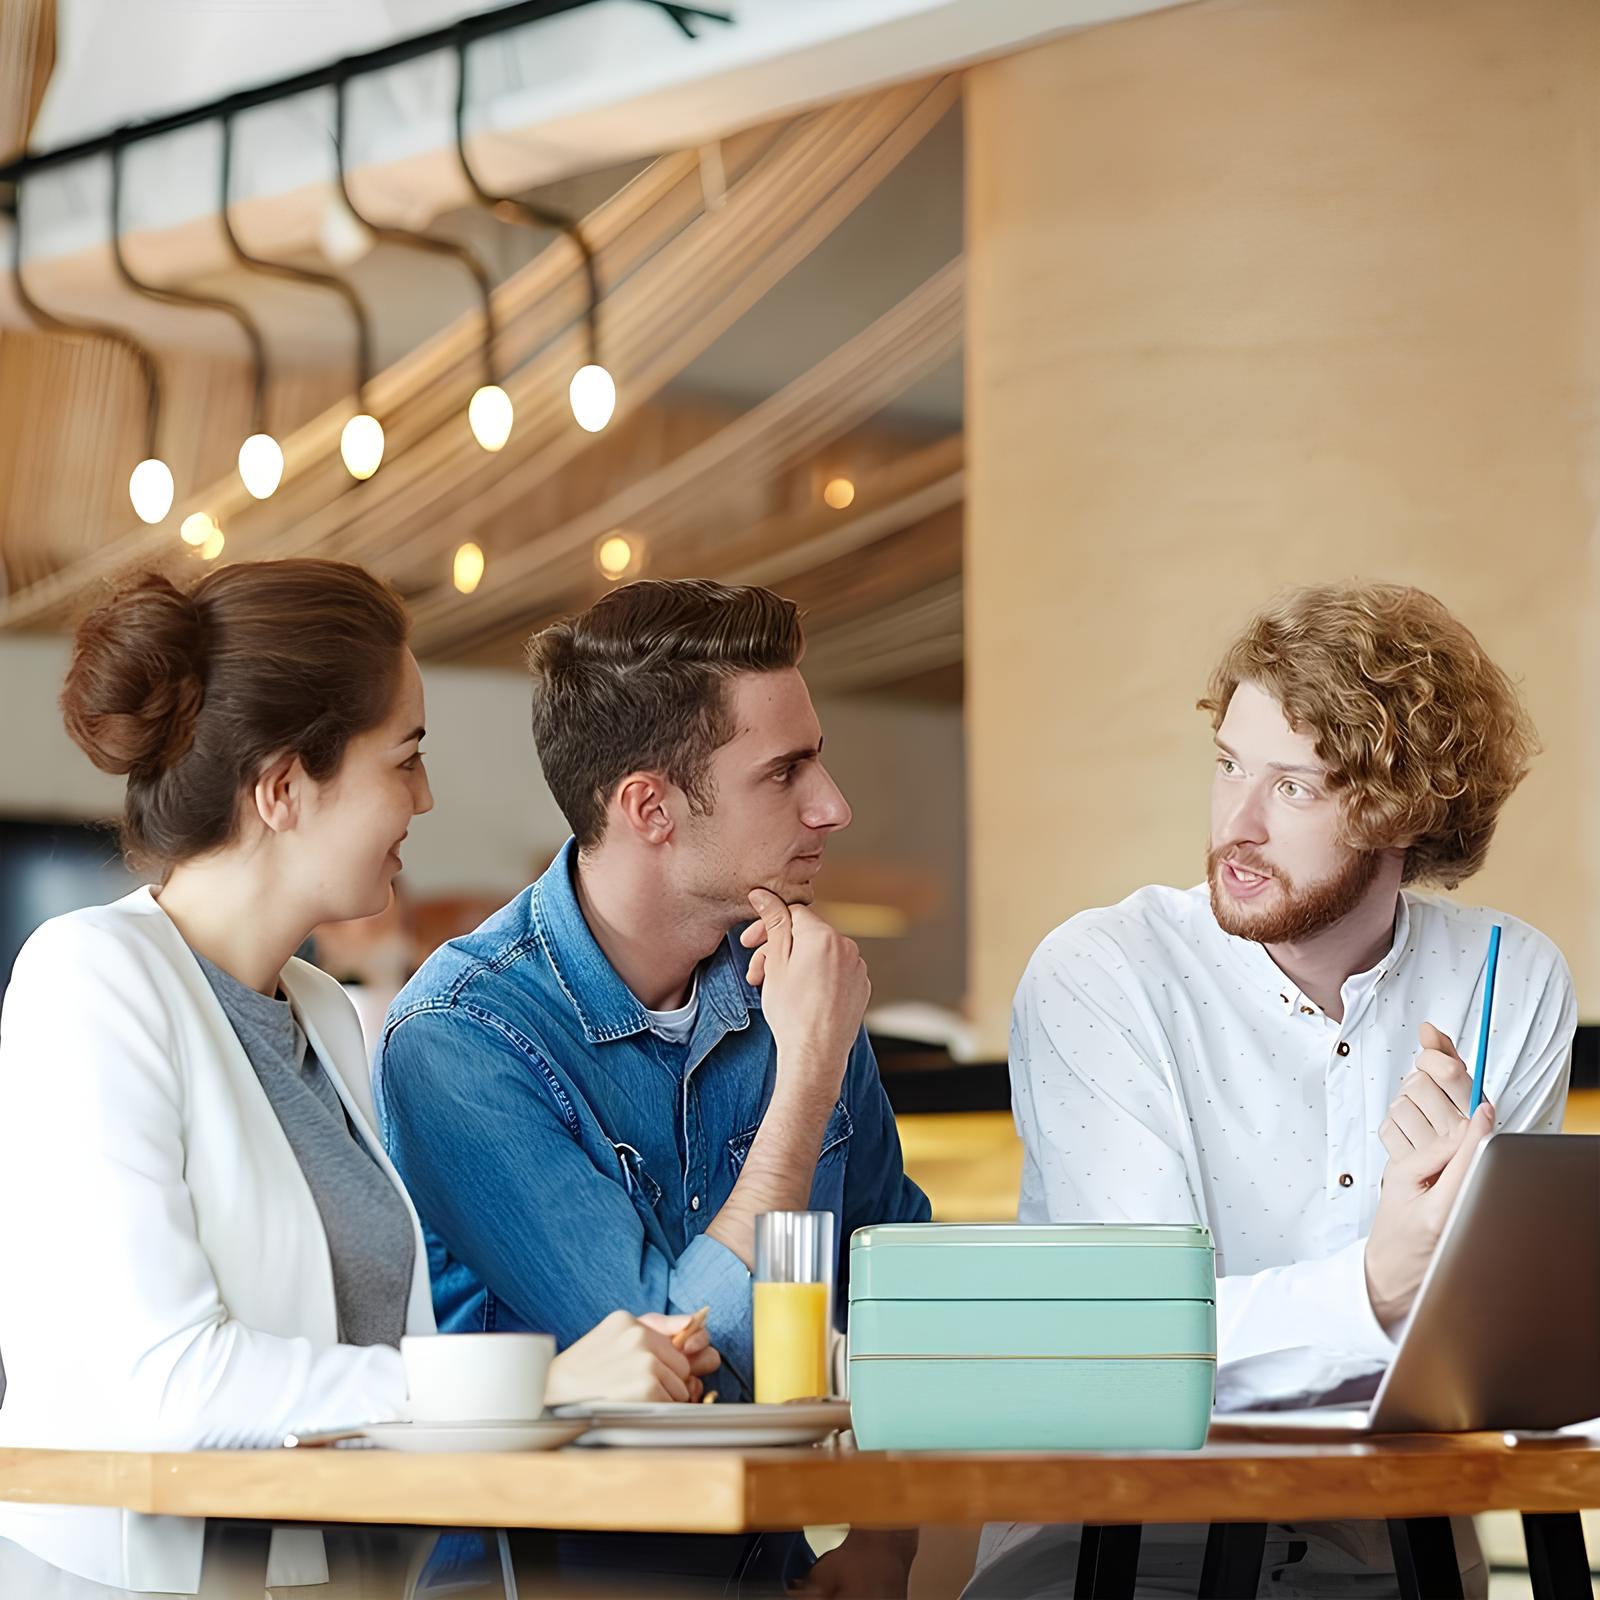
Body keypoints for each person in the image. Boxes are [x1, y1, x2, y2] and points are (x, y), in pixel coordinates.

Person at [0, 560, 715, 1598]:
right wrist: (536, 1386)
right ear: (284, 787)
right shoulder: (92, 976)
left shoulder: (324, 1011)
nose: (424, 797)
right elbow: (164, 1378)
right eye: (406, 755)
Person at [973, 582, 1575, 1599]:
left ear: (1405, 808)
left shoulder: (1507, 978)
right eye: (1227, 767)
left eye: (1295, 786)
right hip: (1123, 1562)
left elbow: (1499, 1368)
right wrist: (1382, 1289)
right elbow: (1142, 1351)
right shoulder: (1103, 972)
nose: (1235, 825)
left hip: (1396, 1565)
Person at [376, 577, 929, 1593]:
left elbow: (908, 1298)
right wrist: (805, 1081)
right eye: (786, 771)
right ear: (649, 807)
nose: (833, 805)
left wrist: (887, 1536)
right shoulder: (458, 1038)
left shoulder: (796, 986)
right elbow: (667, 1397)